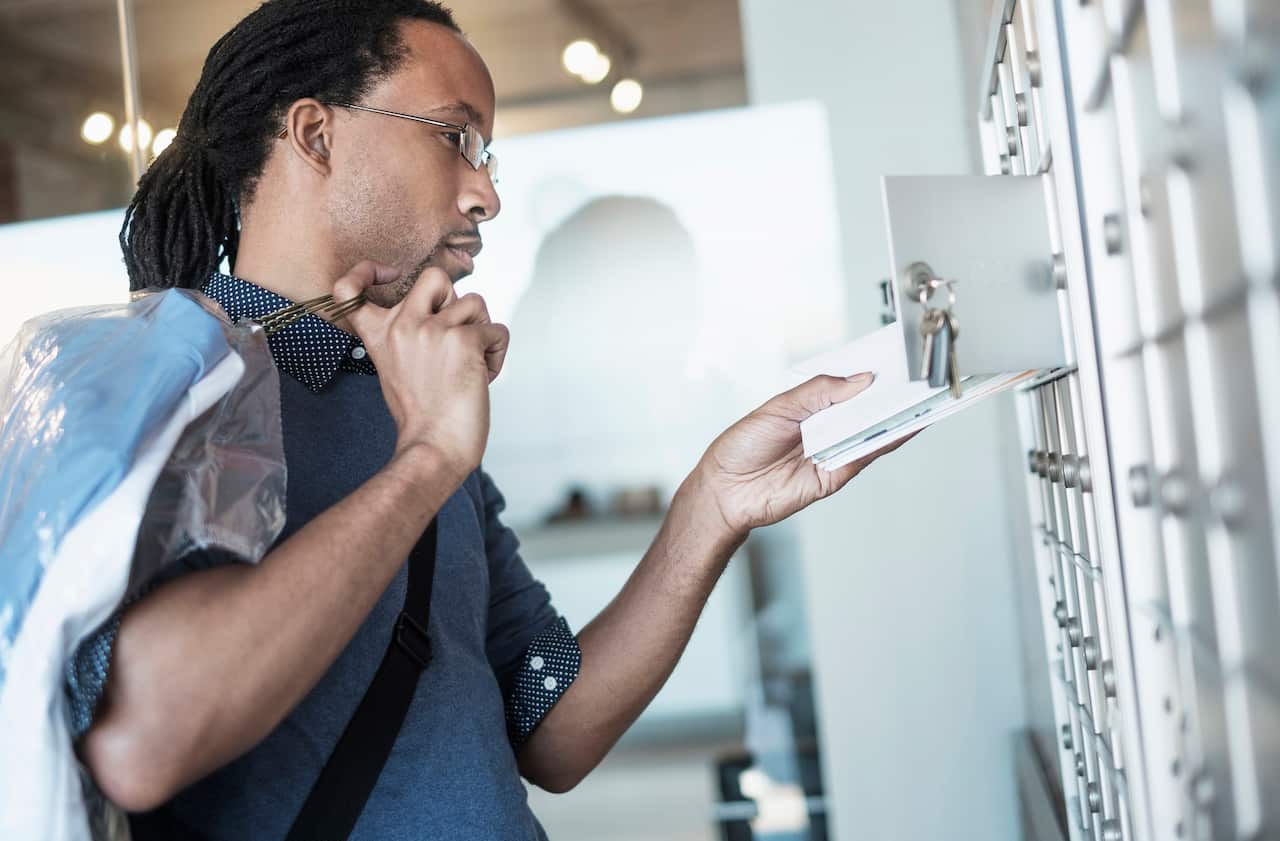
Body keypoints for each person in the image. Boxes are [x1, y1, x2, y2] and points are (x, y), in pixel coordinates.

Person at [71, 1, 903, 838]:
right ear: (316, 135)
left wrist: (713, 504)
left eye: (487, 153)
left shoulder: (406, 389)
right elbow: (145, 740)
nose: (486, 193)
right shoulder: (171, 385)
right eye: (453, 137)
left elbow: (551, 726)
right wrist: (429, 456)